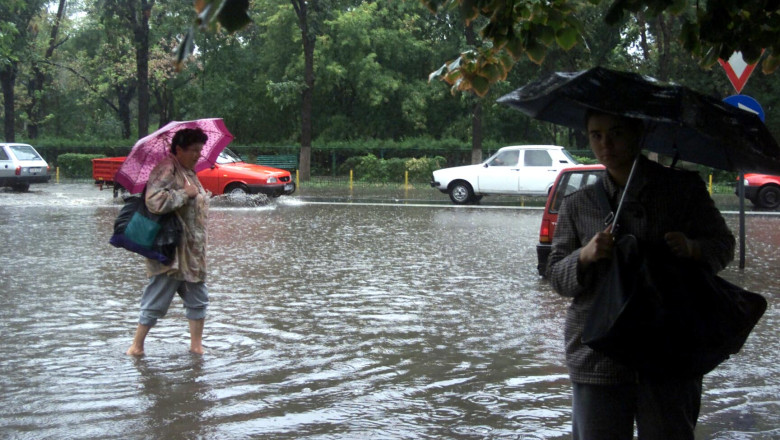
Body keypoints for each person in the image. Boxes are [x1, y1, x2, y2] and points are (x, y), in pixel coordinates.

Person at [546, 110, 735, 439]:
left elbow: (723, 245)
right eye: (596, 135)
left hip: (670, 349)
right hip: (597, 354)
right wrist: (585, 256)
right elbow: (556, 276)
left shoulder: (682, 190)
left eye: (616, 133)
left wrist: (693, 248)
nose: (606, 144)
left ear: (639, 134)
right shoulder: (578, 203)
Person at [126, 128, 211, 356]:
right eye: (193, 150)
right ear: (179, 149)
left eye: (200, 151)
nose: (197, 155)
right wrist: (185, 195)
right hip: (171, 250)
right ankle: (136, 347)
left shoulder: (186, 171)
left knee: (198, 298)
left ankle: (196, 347)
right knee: (157, 296)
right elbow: (154, 201)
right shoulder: (166, 168)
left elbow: (194, 200)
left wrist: (198, 195)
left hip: (192, 252)